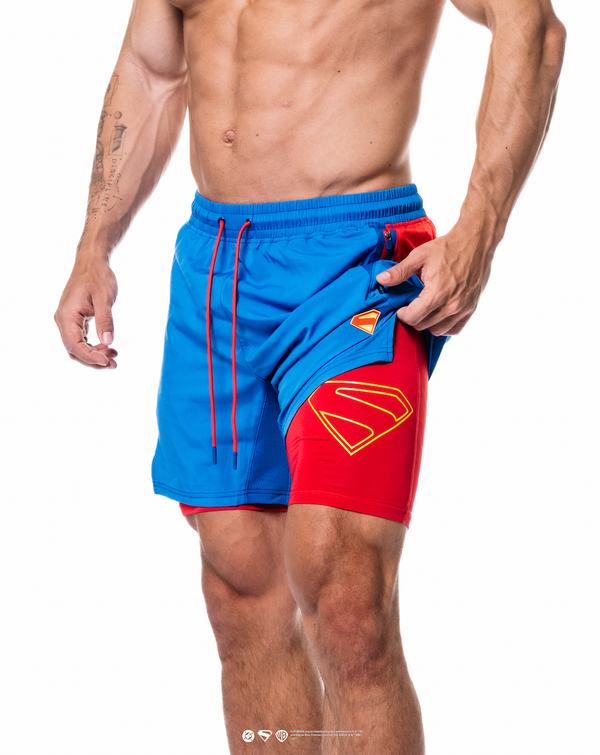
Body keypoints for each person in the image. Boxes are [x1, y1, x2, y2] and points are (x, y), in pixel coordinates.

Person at [54, 0, 565, 751]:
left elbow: (532, 26)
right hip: (217, 268)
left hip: (356, 262)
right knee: (240, 592)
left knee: (347, 593)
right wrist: (93, 244)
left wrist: (479, 230)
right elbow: (152, 71)